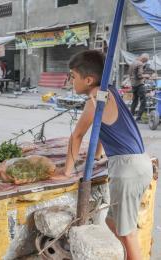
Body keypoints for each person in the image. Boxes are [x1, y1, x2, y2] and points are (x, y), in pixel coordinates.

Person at [54, 50, 152, 260]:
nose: (71, 81)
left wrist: (66, 172)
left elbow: (77, 136)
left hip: (128, 169)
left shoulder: (95, 100)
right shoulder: (109, 92)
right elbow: (101, 129)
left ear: (88, 79)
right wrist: (98, 155)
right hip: (137, 164)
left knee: (128, 234)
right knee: (112, 222)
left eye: (73, 76)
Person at [129, 53, 150, 122]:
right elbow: (140, 76)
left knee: (134, 101)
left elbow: (130, 74)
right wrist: (146, 76)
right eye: (145, 61)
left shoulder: (133, 63)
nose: (145, 62)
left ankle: (130, 117)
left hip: (133, 84)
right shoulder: (140, 64)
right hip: (139, 85)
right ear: (144, 59)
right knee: (143, 101)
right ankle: (138, 118)